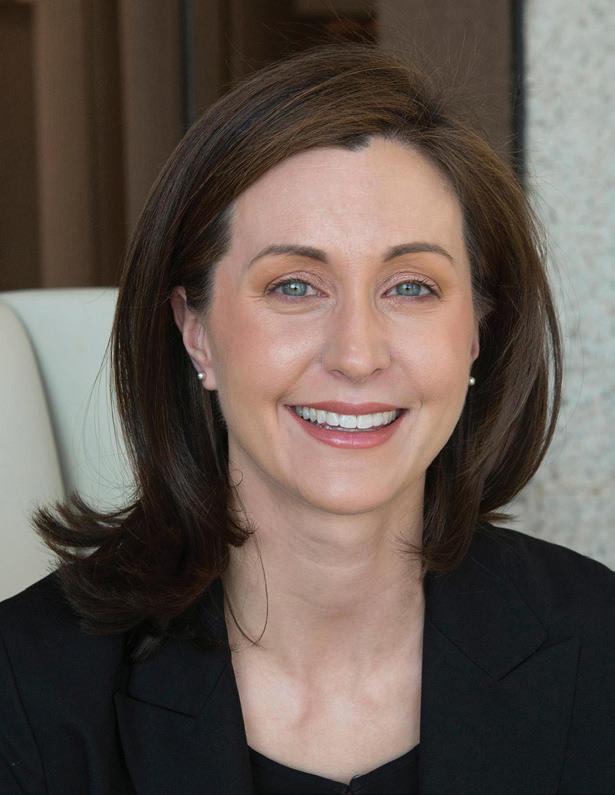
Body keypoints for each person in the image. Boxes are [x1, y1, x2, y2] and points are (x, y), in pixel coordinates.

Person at [1, 41, 614, 795]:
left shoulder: (600, 648)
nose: (357, 354)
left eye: (411, 287)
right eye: (294, 286)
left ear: (478, 331)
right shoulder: (25, 689)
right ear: (196, 330)